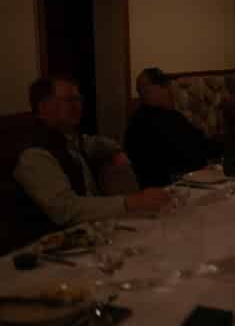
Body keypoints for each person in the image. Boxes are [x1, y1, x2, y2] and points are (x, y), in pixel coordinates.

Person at [13, 76, 172, 230]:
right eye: (69, 100)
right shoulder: (34, 155)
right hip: (53, 246)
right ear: (43, 107)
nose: (78, 106)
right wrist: (130, 202)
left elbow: (98, 143)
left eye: (79, 99)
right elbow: (67, 210)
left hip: (91, 231)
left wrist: (115, 152)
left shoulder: (70, 139)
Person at [125, 68, 223, 188]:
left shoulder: (169, 116)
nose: (142, 95)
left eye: (146, 89)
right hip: (174, 184)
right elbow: (190, 150)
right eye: (140, 91)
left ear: (164, 87)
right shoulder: (150, 120)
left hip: (180, 178)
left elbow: (197, 141)